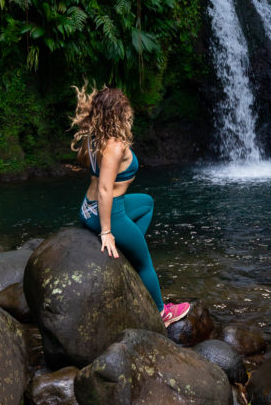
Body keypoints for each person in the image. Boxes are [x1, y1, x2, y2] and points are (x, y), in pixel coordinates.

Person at [70, 84, 190, 328]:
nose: (129, 113)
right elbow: (105, 189)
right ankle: (161, 313)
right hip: (108, 212)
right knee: (145, 260)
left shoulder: (93, 138)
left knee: (146, 203)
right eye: (125, 109)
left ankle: (127, 250)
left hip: (87, 208)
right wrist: (106, 232)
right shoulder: (114, 146)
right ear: (118, 113)